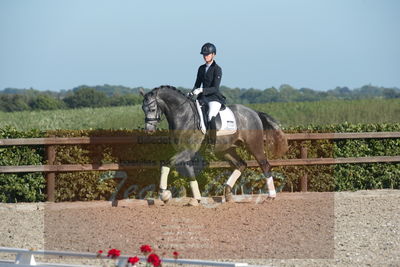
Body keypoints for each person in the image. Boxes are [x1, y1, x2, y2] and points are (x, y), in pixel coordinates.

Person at [190, 42, 226, 145]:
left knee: (210, 116)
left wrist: (202, 90)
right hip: (202, 98)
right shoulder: (201, 68)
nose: (205, 56)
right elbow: (197, 84)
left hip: (214, 98)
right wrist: (192, 92)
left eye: (208, 54)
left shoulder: (217, 69)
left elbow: (215, 88)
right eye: (204, 55)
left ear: (213, 54)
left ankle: (212, 144)